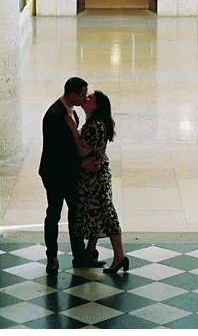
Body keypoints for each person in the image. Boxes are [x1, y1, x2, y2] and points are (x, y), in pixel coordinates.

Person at [39, 77, 105, 274]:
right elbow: (57, 151)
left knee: (76, 214)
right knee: (54, 213)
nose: (86, 97)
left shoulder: (71, 112)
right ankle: (52, 256)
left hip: (69, 173)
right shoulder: (54, 115)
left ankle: (79, 255)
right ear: (73, 95)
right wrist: (81, 163)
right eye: (83, 94)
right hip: (55, 173)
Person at [65, 90, 129, 274]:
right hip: (95, 177)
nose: (87, 97)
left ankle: (119, 256)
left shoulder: (94, 126)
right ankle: (90, 250)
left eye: (90, 97)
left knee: (106, 214)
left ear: (96, 105)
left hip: (95, 179)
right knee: (95, 212)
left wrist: (73, 130)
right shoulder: (95, 123)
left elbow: (83, 151)